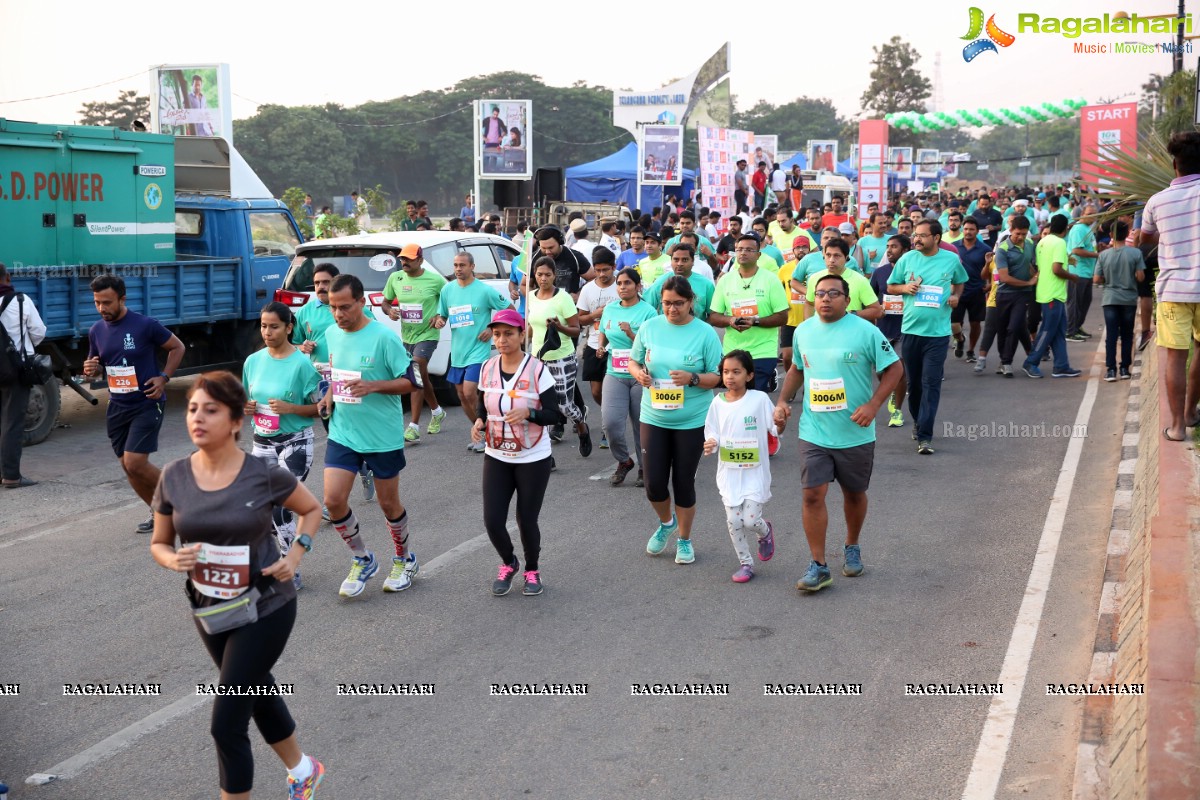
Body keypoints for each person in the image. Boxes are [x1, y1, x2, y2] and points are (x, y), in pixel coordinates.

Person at [150, 371, 324, 800]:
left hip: (267, 603)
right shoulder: (173, 476)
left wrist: (295, 554)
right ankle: (303, 769)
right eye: (193, 409)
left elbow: (312, 509)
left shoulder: (261, 473)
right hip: (210, 607)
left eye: (211, 410)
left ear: (234, 422)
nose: (198, 418)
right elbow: (159, 542)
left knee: (226, 722)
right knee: (256, 690)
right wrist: (174, 559)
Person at [775, 273, 902, 592]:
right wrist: (782, 402)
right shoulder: (803, 331)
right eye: (820, 293)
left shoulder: (865, 331)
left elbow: (895, 369)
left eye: (834, 293)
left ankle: (852, 545)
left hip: (855, 433)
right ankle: (818, 565)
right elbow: (796, 370)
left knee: (854, 494)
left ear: (847, 300)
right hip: (814, 431)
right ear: (812, 299)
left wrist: (874, 405)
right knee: (812, 494)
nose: (826, 299)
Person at [319, 274, 421, 598]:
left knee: (388, 504)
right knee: (333, 501)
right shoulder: (331, 333)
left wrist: (373, 386)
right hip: (343, 432)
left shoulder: (383, 338)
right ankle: (362, 559)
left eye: (345, 307)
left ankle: (405, 559)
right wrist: (329, 395)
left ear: (362, 302)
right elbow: (337, 374)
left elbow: (412, 381)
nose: (338, 314)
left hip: (382, 435)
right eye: (333, 307)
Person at [629, 276, 723, 565]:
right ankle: (666, 522)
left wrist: (692, 378)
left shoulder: (705, 333)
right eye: (666, 303)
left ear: (690, 302)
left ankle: (684, 538)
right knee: (654, 483)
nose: (671, 309)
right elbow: (633, 361)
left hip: (691, 419)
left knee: (683, 482)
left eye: (678, 304)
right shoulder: (649, 327)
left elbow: (716, 377)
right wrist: (639, 375)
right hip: (654, 415)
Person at [472, 310, 564, 596]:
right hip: (497, 453)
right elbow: (482, 404)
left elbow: (554, 415)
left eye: (509, 333)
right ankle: (509, 562)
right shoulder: (487, 368)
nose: (502, 340)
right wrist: (479, 422)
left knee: (526, 518)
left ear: (522, 335)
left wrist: (529, 412)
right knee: (493, 520)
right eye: (497, 334)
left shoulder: (537, 370)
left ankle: (532, 569)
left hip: (532, 456)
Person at [84, 275, 186, 532]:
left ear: (122, 299)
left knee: (135, 462)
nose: (102, 308)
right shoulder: (96, 331)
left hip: (147, 402)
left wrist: (164, 377)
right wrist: (91, 369)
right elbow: (96, 368)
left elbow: (177, 347)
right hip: (118, 406)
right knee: (129, 468)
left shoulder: (144, 325)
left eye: (107, 302)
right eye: (97, 303)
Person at [242, 303, 322, 589]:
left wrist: (290, 408)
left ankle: (290, 567)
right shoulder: (252, 361)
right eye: (263, 326)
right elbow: (246, 398)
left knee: (279, 507)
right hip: (262, 443)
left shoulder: (302, 365)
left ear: (289, 328)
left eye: (274, 326)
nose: (267, 332)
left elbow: (321, 408)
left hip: (295, 443)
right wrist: (248, 407)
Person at [887, 220, 968, 454]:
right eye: (915, 235)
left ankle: (925, 436)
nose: (917, 239)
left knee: (931, 383)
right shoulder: (907, 259)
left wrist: (956, 297)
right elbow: (891, 286)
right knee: (914, 385)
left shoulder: (951, 259)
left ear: (936, 237)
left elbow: (961, 282)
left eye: (922, 236)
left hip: (938, 334)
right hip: (911, 332)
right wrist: (905, 288)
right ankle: (918, 422)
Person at [1142, 133, 1200, 440]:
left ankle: (1177, 427)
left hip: (1174, 290)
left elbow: (1145, 239)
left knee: (1176, 356)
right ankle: (1192, 412)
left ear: (1175, 164)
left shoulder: (1157, 201)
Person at [703, 350, 779, 583]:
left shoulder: (759, 400)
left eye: (736, 372)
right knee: (734, 521)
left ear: (749, 375)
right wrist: (711, 443)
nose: (730, 377)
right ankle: (746, 563)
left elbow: (774, 428)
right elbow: (712, 430)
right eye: (726, 372)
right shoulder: (717, 403)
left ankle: (764, 531)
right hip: (729, 475)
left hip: (754, 473)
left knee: (750, 520)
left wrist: (781, 422)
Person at [433, 251, 513, 452]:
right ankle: (482, 431)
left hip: (478, 351)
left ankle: (488, 431)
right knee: (462, 395)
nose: (458, 269)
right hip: (458, 351)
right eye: (455, 265)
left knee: (469, 391)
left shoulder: (484, 291)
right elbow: (440, 316)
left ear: (472, 267)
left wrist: (491, 328)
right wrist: (439, 321)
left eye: (462, 265)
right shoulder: (447, 290)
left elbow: (509, 309)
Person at [596, 268, 657, 487]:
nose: (623, 287)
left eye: (628, 283)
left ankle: (645, 467)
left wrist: (632, 334)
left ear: (638, 286)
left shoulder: (648, 312)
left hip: (641, 374)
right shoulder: (610, 309)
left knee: (642, 425)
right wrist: (601, 346)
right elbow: (604, 330)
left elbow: (653, 347)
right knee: (610, 423)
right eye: (620, 283)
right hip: (614, 373)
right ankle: (624, 461)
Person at [526, 256, 591, 458]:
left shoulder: (562, 298)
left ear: (554, 275)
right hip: (538, 359)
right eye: (539, 274)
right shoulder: (531, 296)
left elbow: (575, 330)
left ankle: (581, 425)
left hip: (562, 358)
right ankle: (546, 455)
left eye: (547, 274)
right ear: (534, 276)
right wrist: (521, 342)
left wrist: (558, 326)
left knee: (564, 406)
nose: (543, 278)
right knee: (539, 406)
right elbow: (530, 327)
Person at [383, 243, 448, 443]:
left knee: (416, 369)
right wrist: (390, 311)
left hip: (428, 335)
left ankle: (414, 426)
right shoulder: (395, 278)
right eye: (402, 259)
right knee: (421, 376)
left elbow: (449, 301)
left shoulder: (436, 280)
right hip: (407, 336)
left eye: (409, 259)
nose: (404, 262)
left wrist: (439, 315)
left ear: (420, 260)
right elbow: (386, 302)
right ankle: (437, 411)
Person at [709, 235, 790, 391]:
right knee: (736, 397)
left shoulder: (771, 280)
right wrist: (730, 320)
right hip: (732, 352)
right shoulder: (725, 281)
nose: (743, 253)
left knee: (753, 397)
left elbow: (782, 317)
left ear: (758, 255)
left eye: (749, 249)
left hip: (762, 351)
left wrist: (755, 321)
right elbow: (714, 316)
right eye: (739, 249)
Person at [0, 263, 46, 488]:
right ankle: (10, 475)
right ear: (7, 277)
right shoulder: (20, 301)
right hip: (16, 370)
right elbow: (39, 332)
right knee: (12, 423)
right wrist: (23, 345)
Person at [1021, 215, 1083, 380]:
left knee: (1058, 331)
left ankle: (1061, 366)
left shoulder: (1043, 241)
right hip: (1053, 293)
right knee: (1048, 330)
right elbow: (1056, 269)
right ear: (1065, 228)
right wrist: (1072, 277)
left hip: (1047, 291)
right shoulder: (1059, 243)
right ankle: (1031, 362)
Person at [977, 216, 1035, 377]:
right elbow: (1004, 277)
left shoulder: (1030, 244)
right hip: (1004, 294)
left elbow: (1030, 264)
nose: (1021, 237)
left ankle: (1008, 362)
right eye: (1018, 234)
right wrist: (1029, 282)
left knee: (1014, 326)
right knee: (1002, 329)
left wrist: (1035, 276)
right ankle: (1005, 361)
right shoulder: (1002, 249)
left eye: (1024, 234)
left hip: (1023, 295)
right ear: (1011, 231)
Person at [576, 248, 620, 449]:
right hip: (594, 345)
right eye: (598, 270)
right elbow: (580, 318)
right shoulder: (588, 289)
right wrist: (598, 314)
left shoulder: (622, 285)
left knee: (613, 389)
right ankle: (608, 415)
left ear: (614, 267)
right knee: (595, 391)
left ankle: (608, 425)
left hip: (619, 347)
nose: (602, 274)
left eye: (606, 270)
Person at [1094, 220, 1145, 382]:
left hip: (1110, 298)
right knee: (1127, 335)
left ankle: (1110, 370)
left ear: (1110, 235)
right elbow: (1140, 277)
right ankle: (1124, 368)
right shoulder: (1135, 253)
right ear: (1127, 234)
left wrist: (1107, 280)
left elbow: (1096, 279)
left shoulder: (1103, 255)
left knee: (1112, 334)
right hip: (1129, 299)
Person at [869, 234, 911, 426]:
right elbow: (870, 299)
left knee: (900, 369)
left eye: (894, 246)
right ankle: (891, 389)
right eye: (888, 246)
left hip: (906, 328)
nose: (889, 250)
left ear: (905, 250)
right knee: (881, 371)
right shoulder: (880, 272)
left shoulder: (913, 271)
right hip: (884, 329)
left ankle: (897, 410)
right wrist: (878, 310)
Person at [952, 215, 993, 362]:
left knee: (975, 323)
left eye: (971, 229)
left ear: (977, 231)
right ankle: (960, 339)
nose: (968, 232)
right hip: (957, 291)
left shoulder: (985, 249)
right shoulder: (954, 247)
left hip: (977, 291)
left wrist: (990, 286)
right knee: (955, 324)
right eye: (966, 229)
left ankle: (970, 351)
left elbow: (991, 270)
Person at [644, 243, 717, 322]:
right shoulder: (660, 282)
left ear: (692, 262)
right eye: (676, 259)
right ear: (671, 261)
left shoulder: (706, 284)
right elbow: (646, 309)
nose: (679, 264)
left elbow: (714, 315)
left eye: (684, 260)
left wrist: (700, 329)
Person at [1065, 204, 1100, 341]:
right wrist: (1097, 255)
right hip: (1077, 272)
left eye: (1095, 214)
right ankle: (1070, 331)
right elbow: (1076, 250)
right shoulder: (1079, 229)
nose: (1093, 216)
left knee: (1084, 301)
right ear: (1082, 214)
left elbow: (1089, 247)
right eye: (1090, 213)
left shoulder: (1088, 229)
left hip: (1086, 271)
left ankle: (1077, 326)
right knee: (1075, 303)